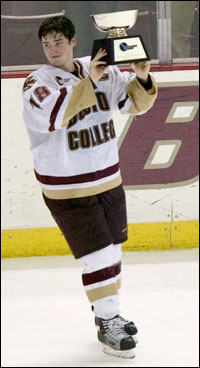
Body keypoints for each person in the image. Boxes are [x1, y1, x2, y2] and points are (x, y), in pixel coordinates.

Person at [22, 15, 157, 358]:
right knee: (96, 254)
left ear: (72, 42)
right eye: (46, 44)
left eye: (58, 42)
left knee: (112, 250)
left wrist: (140, 75)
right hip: (67, 187)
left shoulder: (99, 67)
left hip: (107, 176)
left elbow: (132, 105)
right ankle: (110, 319)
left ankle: (106, 313)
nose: (52, 49)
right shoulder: (36, 84)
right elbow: (56, 115)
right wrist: (89, 81)